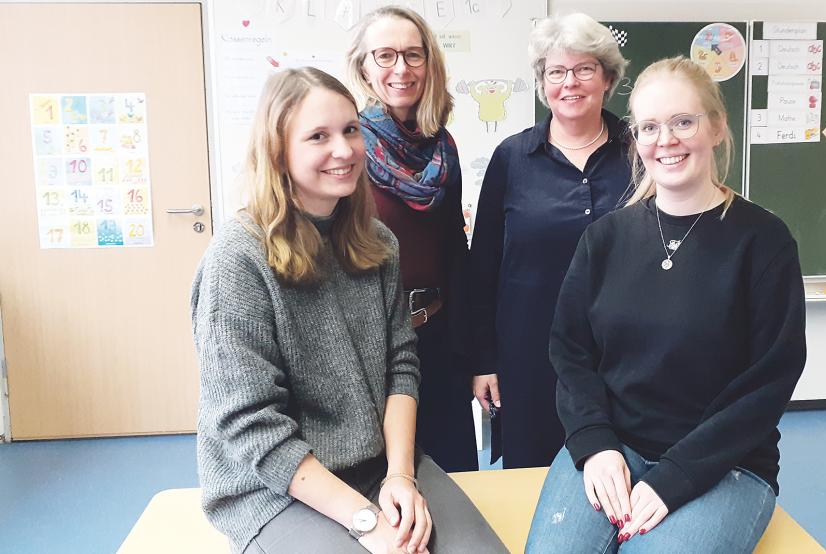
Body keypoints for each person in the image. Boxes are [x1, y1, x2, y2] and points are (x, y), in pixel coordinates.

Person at [191, 67, 506, 554]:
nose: (344, 150)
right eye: (318, 136)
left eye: (350, 130)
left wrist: (400, 477)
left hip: (379, 465)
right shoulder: (237, 260)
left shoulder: (378, 243)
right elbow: (251, 428)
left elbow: (401, 366)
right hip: (274, 487)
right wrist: (365, 521)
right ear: (278, 151)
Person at [525, 56, 808, 553]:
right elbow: (571, 352)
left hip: (725, 462)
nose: (666, 140)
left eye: (683, 121)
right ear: (635, 139)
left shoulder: (763, 241)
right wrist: (595, 444)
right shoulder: (604, 239)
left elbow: (769, 381)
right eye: (650, 127)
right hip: (617, 446)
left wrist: (676, 477)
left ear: (717, 128)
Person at [469, 12, 632, 469]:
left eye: (584, 69)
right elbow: (482, 268)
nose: (570, 83)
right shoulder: (512, 159)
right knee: (532, 478)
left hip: (624, 354)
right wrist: (483, 361)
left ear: (607, 78)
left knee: (622, 474)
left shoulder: (642, 151)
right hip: (528, 356)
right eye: (556, 72)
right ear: (543, 83)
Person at [345, 5, 477, 472]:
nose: (401, 68)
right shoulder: (347, 149)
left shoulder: (444, 146)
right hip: (371, 342)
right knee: (381, 480)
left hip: (436, 334)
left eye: (413, 55)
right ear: (363, 66)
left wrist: (472, 353)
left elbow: (454, 250)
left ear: (430, 64)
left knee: (454, 471)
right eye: (385, 55)